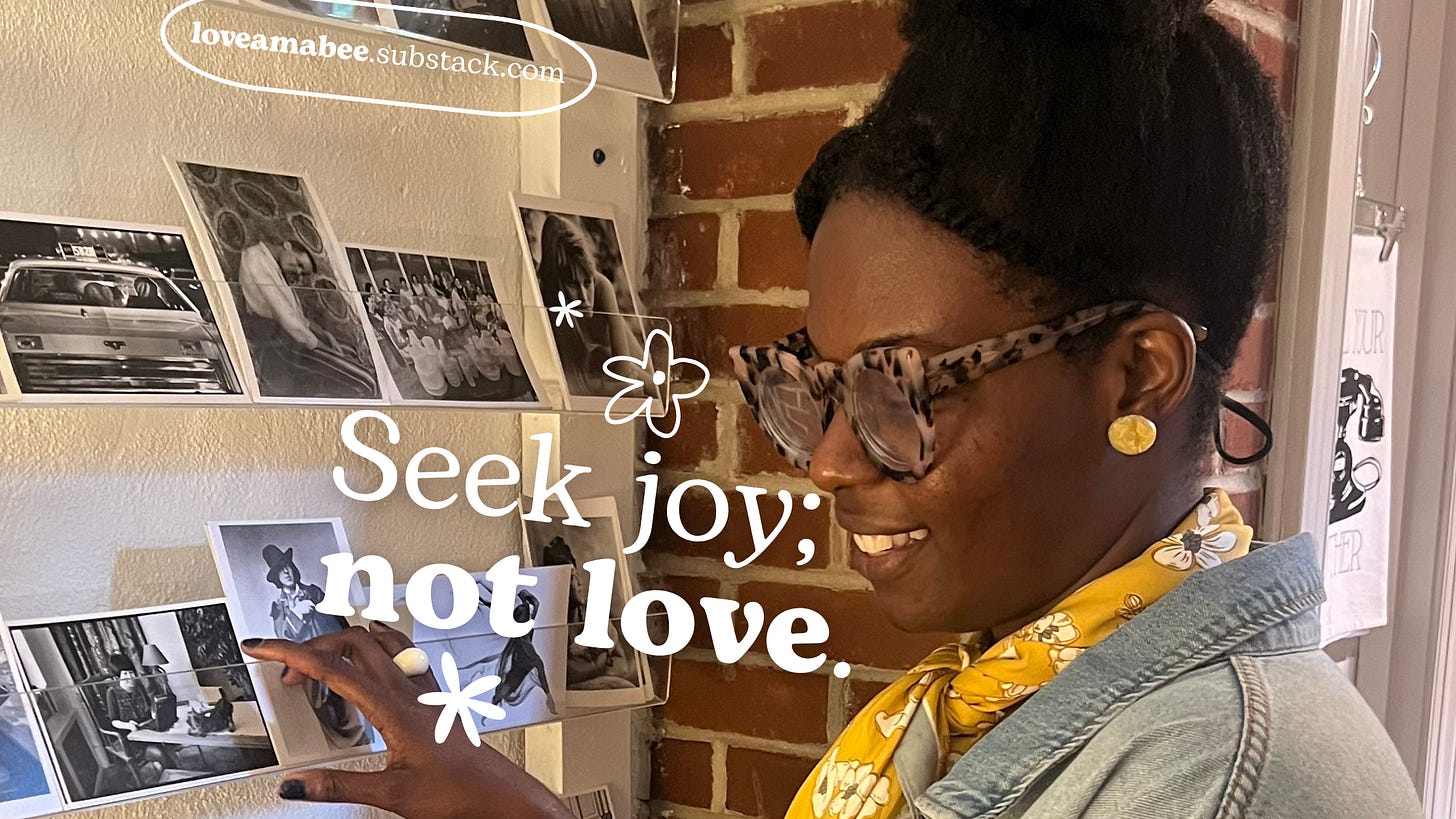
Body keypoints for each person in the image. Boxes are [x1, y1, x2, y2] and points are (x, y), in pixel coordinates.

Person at [241, 1, 1424, 815]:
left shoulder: (1210, 779)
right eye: (816, 388)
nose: (830, 463)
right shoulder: (1019, 687)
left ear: (1137, 375)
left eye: (900, 390)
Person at [262, 544, 369, 749]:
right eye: (280, 570)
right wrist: (297, 614)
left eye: (287, 566)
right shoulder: (279, 607)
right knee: (330, 714)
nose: (286, 572)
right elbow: (283, 636)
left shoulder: (313, 592)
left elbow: (339, 622)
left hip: (337, 661)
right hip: (311, 671)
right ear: (276, 577)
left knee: (355, 707)